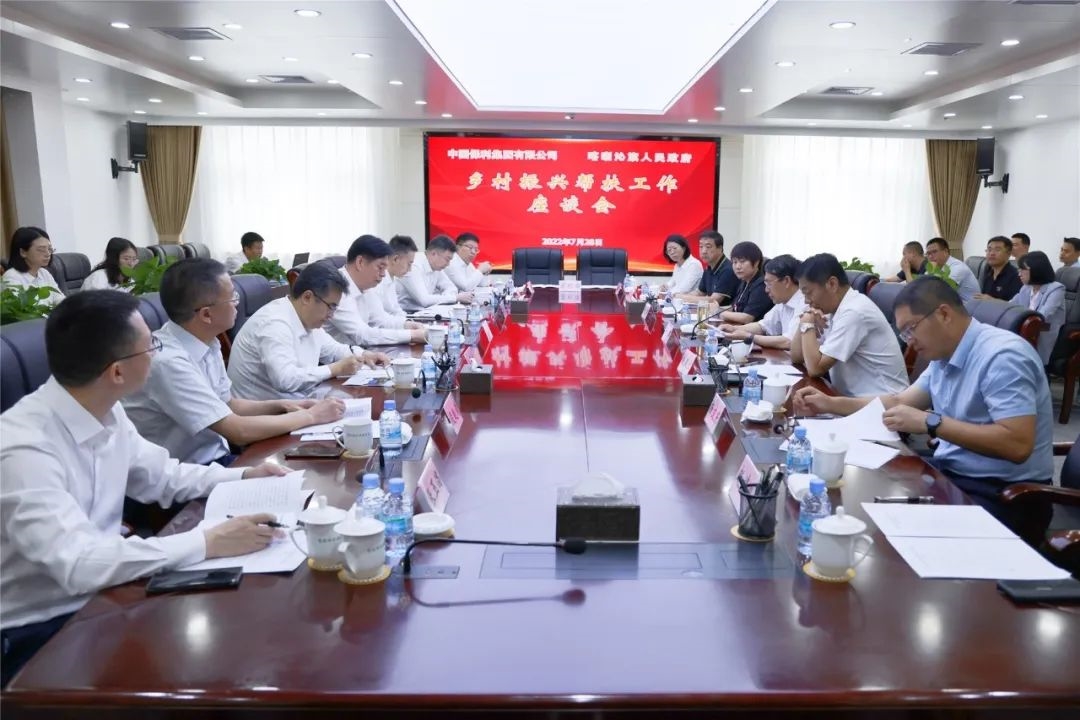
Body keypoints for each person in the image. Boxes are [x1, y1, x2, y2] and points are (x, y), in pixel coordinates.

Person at [0, 290, 289, 686]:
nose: (157, 353)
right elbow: (80, 565)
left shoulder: (105, 407)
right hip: (38, 630)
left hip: (103, 593)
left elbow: (162, 475)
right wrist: (207, 541)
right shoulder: (22, 449)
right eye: (150, 346)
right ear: (117, 372)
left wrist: (243, 476)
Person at [794, 276, 1053, 531]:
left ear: (943, 314)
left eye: (911, 328)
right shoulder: (945, 355)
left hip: (1003, 493)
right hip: (954, 474)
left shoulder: (1002, 356)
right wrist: (830, 404)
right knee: (863, 501)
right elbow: (899, 401)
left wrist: (931, 422)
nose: (909, 341)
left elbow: (1017, 444)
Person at [123, 258, 347, 465]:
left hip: (216, 458)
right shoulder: (168, 362)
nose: (237, 304)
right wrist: (311, 416)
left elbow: (228, 404)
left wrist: (282, 406)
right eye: (232, 298)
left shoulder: (207, 341)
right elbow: (237, 431)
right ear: (206, 315)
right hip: (188, 472)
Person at [227, 261, 389, 400]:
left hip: (296, 406)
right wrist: (335, 369)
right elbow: (285, 380)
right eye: (330, 307)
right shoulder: (274, 323)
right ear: (307, 297)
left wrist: (364, 355)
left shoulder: (306, 318)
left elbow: (333, 350)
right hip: (263, 418)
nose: (331, 315)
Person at [790, 253, 908, 397]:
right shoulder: (832, 308)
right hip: (851, 400)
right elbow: (796, 357)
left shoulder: (854, 311)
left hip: (883, 403)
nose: (806, 301)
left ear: (832, 284)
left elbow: (815, 369)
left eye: (808, 293)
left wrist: (807, 324)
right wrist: (804, 320)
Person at [326, 235, 426, 346]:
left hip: (359, 351)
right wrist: (412, 335)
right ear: (360, 262)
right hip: (339, 355)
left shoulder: (366, 286)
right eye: (380, 267)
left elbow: (381, 320)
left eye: (385, 268)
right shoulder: (337, 288)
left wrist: (407, 325)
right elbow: (362, 335)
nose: (383, 274)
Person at [720, 255, 805, 350]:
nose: (766, 290)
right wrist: (734, 329)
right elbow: (764, 326)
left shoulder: (805, 303)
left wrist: (750, 337)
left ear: (786, 281)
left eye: (769, 284)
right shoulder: (783, 300)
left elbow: (788, 342)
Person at [1012, 251, 1065, 366]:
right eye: (1019, 270)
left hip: (1045, 330)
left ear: (1036, 269)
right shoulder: (1026, 288)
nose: (1019, 274)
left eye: (1023, 270)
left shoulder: (1056, 289)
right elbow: (1011, 305)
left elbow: (1043, 315)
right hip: (1027, 327)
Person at [396, 234, 473, 312]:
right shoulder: (413, 265)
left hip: (424, 311)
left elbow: (451, 287)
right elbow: (424, 300)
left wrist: (447, 298)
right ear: (434, 254)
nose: (448, 264)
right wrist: (455, 298)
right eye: (447, 259)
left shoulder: (436, 267)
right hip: (407, 313)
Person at [673, 230, 738, 305]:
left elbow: (713, 300)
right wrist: (680, 297)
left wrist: (681, 297)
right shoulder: (708, 268)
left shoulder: (728, 269)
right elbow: (699, 292)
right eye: (701, 247)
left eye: (708, 247)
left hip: (726, 311)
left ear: (720, 248)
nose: (703, 251)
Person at [2, 226, 63, 305]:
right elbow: (23, 310)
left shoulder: (44, 273)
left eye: (49, 249)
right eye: (41, 249)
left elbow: (60, 300)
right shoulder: (11, 277)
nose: (48, 254)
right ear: (23, 252)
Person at [718, 241, 773, 324]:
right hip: (740, 327)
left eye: (742, 261)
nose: (738, 267)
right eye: (735, 262)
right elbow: (735, 307)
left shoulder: (761, 285)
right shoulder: (745, 281)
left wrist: (719, 313)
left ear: (756, 262)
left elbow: (747, 317)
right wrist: (716, 309)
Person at [924, 237, 979, 302]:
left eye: (934, 252)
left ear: (945, 251)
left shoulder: (958, 267)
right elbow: (922, 284)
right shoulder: (935, 266)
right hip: (952, 304)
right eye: (928, 253)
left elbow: (942, 292)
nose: (930, 256)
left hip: (970, 306)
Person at [975, 235, 1022, 301]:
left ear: (1008, 253)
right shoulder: (988, 273)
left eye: (997, 250)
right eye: (989, 250)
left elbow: (1016, 305)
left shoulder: (1016, 276)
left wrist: (992, 301)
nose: (992, 253)